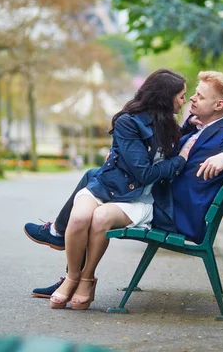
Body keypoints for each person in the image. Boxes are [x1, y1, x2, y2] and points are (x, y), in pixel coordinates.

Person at [25, 70, 223, 301]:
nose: (192, 98)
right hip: (158, 196)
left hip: (171, 211)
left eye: (200, 95)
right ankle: (67, 261)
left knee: (97, 188)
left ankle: (63, 247)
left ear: (219, 105)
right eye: (192, 94)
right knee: (96, 179)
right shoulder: (195, 126)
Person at [28, 69, 192, 310]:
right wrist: (180, 160)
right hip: (110, 187)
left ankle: (85, 279)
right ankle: (71, 276)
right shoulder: (129, 121)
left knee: (99, 215)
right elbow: (144, 171)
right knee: (81, 216)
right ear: (165, 97)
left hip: (139, 198)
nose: (184, 100)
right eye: (181, 96)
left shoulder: (171, 126)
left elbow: (146, 172)